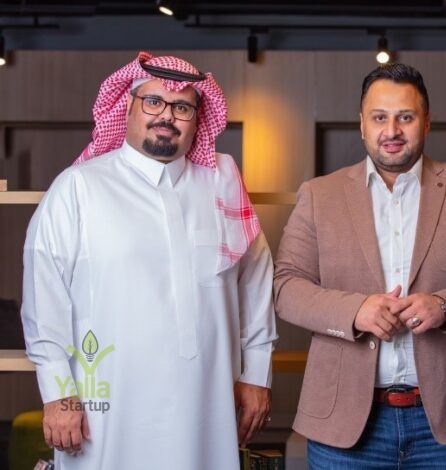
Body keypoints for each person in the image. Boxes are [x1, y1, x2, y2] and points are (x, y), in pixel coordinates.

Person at [21, 51, 277, 469]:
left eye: (182, 107)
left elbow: (256, 284)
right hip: (106, 408)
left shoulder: (223, 185)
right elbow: (44, 298)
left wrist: (256, 375)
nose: (167, 116)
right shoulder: (79, 188)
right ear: (128, 106)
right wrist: (58, 394)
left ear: (198, 118)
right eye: (153, 101)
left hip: (207, 404)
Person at [273, 63, 446, 469]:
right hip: (344, 424)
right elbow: (286, 288)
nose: (392, 130)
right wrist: (355, 311)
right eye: (379, 118)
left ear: (427, 122)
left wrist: (445, 306)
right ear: (362, 124)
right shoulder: (319, 195)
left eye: (405, 117)